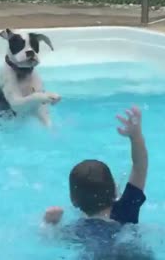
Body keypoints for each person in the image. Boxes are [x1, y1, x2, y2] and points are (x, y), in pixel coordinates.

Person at [42, 106, 152, 259]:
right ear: (115, 190)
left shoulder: (75, 229)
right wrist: (136, 136)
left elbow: (49, 239)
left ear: (74, 201)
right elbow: (140, 167)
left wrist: (50, 222)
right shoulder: (127, 208)